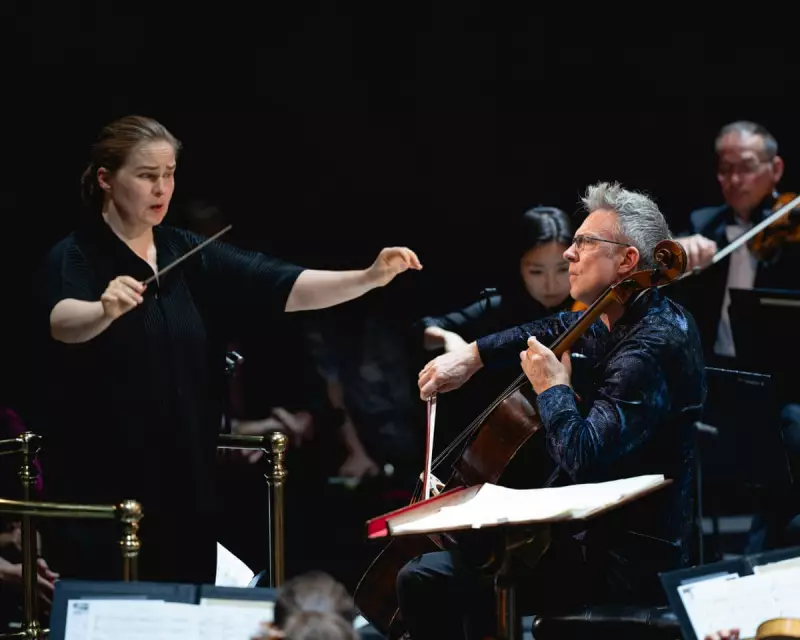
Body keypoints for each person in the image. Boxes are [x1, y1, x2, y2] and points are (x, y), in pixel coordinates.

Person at [35, 114, 422, 585]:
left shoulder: (186, 250)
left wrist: (368, 277)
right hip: (106, 493)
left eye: (169, 174)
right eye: (146, 176)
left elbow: (283, 283)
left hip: (187, 488)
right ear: (105, 179)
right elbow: (61, 322)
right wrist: (103, 309)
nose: (162, 189)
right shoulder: (76, 254)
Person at [399, 181, 705, 639]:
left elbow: (581, 454)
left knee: (430, 578)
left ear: (627, 261)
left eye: (585, 242)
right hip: (579, 537)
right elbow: (556, 323)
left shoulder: (653, 344)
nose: (569, 254)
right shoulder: (616, 311)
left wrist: (552, 389)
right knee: (440, 570)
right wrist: (473, 356)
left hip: (621, 558)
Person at [676, 121, 800, 553]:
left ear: (776, 168)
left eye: (745, 168)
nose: (734, 180)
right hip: (720, 378)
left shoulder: (792, 224)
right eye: (725, 170)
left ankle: (759, 557)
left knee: (791, 436)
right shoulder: (703, 225)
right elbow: (664, 260)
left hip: (783, 383)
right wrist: (682, 250)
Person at [419, 206, 577, 354]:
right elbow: (423, 331)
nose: (551, 285)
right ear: (519, 266)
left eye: (563, 269)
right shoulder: (499, 307)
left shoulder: (590, 305)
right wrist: (449, 337)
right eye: (536, 272)